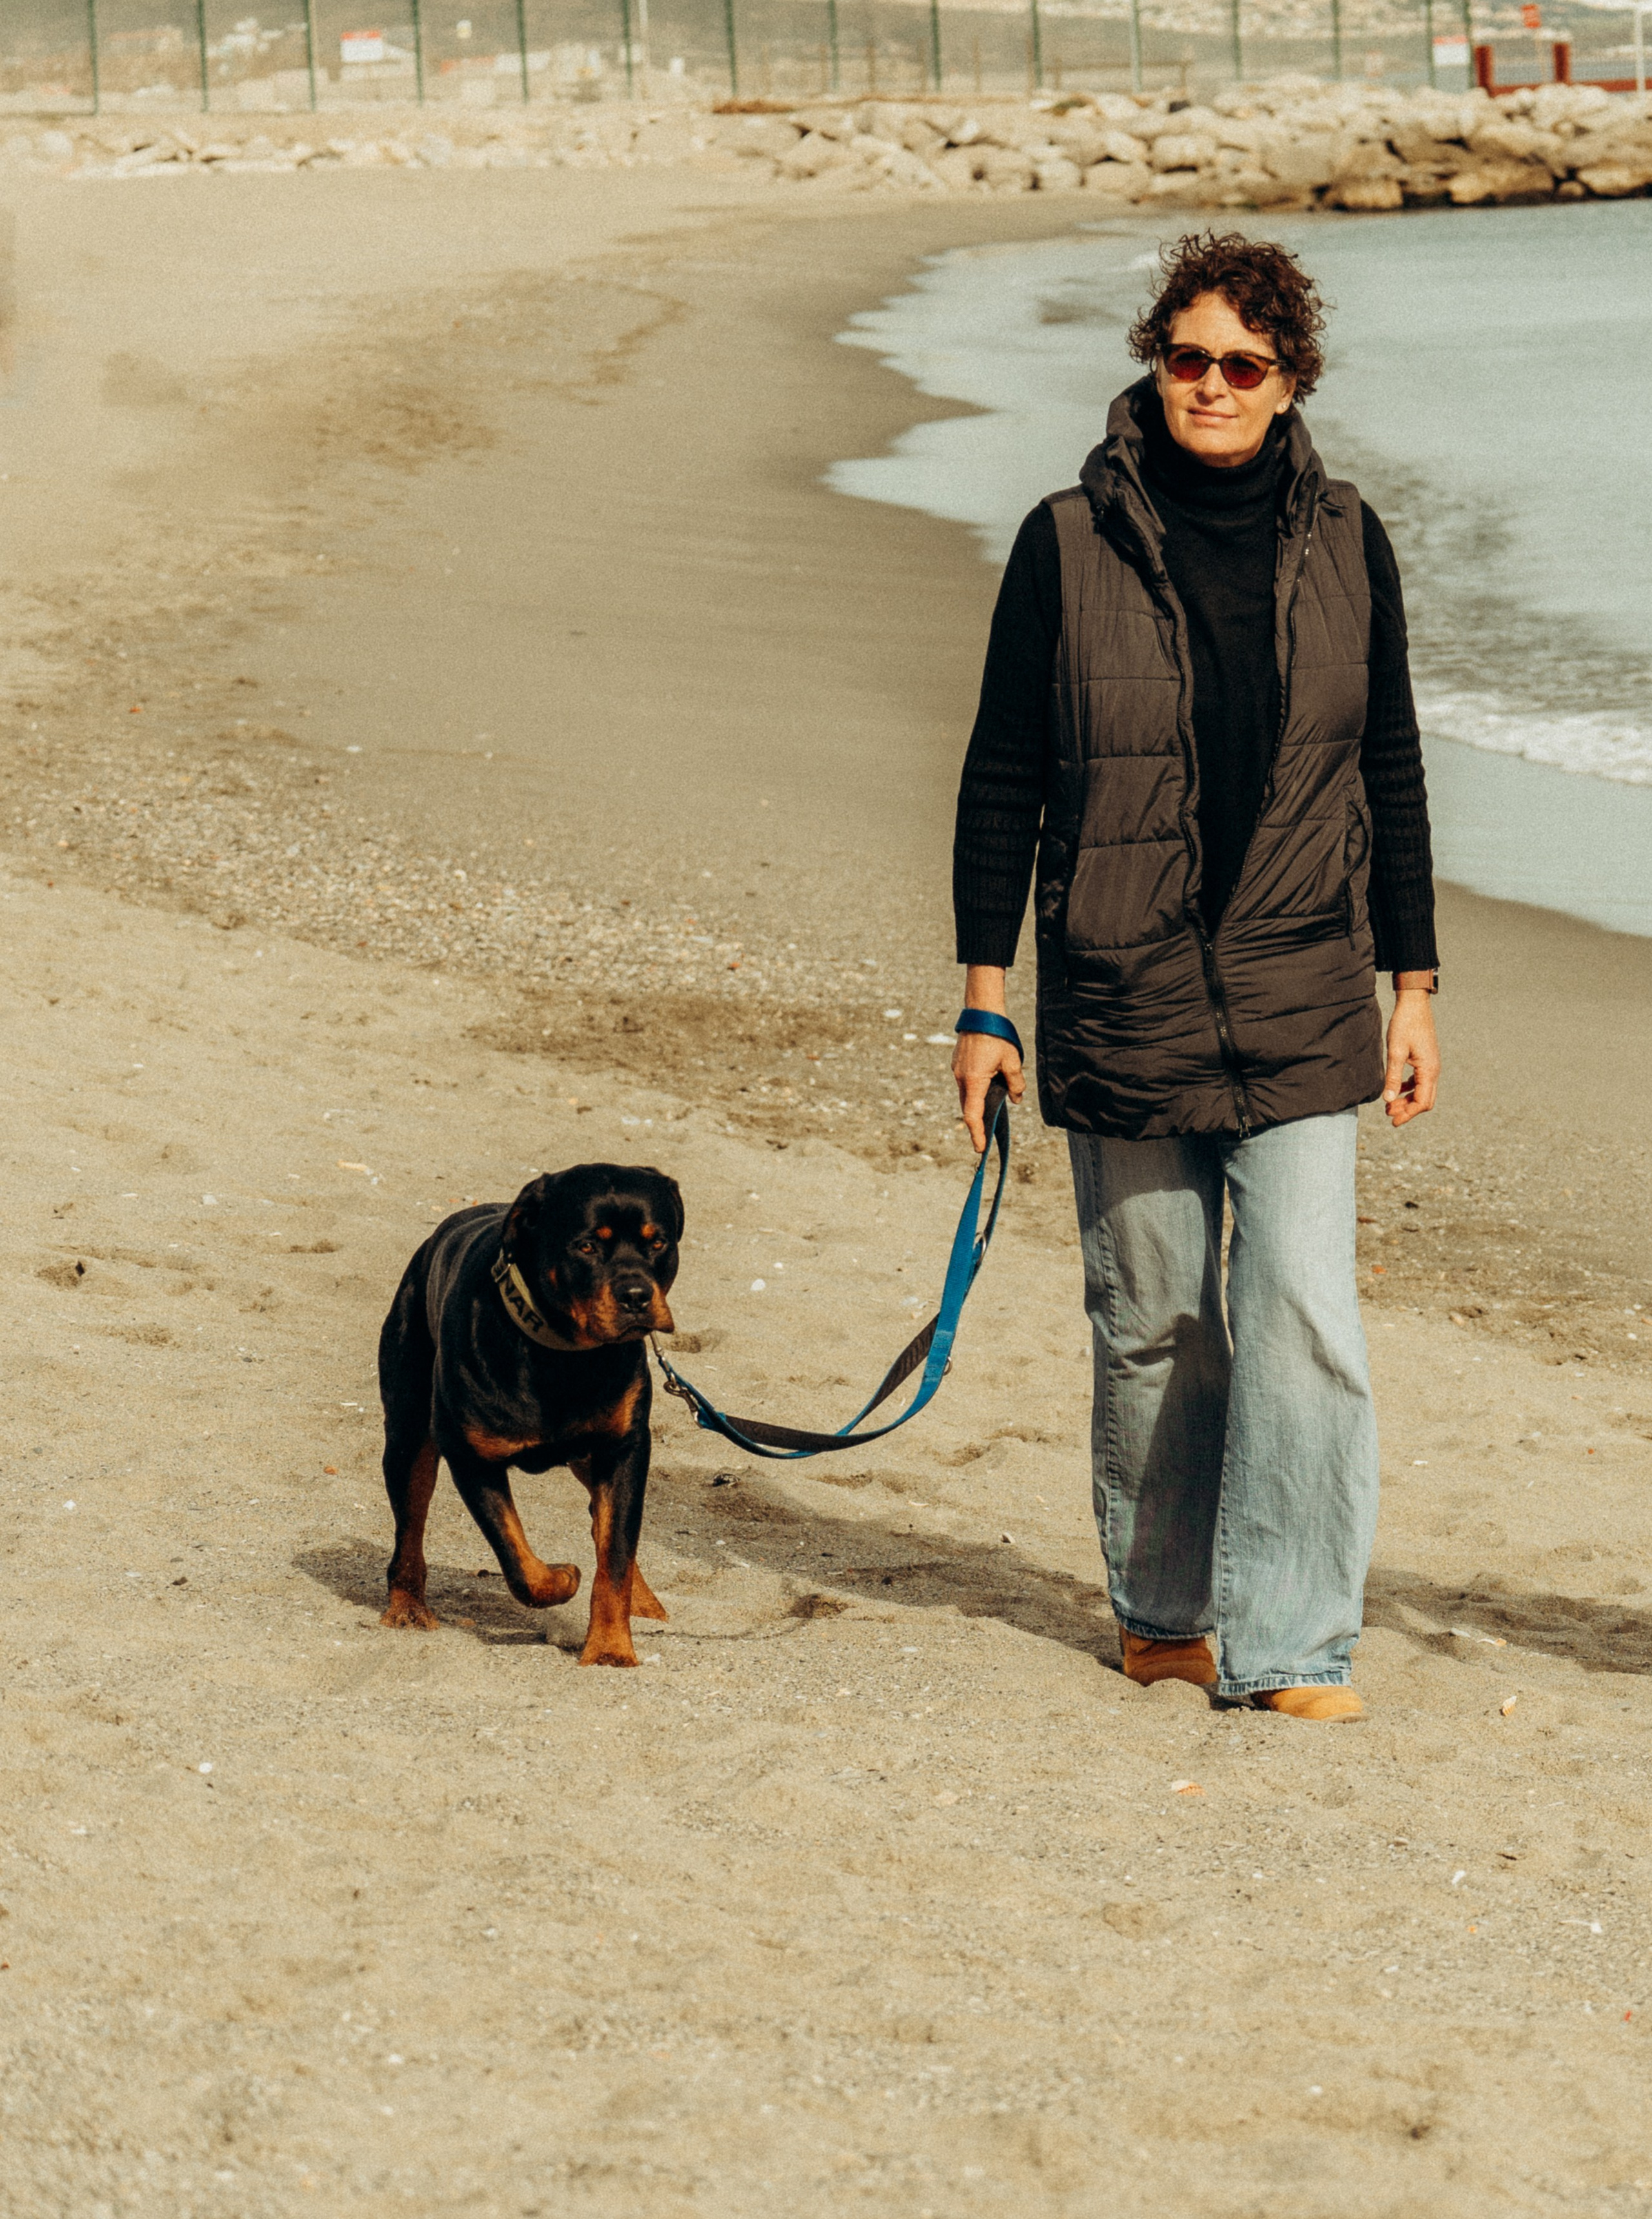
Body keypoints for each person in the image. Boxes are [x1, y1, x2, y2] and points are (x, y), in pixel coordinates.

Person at [950, 231, 1440, 1722]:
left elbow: (1391, 767)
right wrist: (983, 999)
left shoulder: (1350, 538)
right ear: (1149, 365)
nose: (1210, 387)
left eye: (1243, 364)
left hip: (1300, 990)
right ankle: (1164, 1610)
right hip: (1118, 990)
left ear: (1289, 382)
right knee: (1156, 1322)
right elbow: (1001, 776)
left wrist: (1411, 985)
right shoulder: (1063, 541)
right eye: (1185, 359)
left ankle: (1290, 1643)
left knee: (1301, 1315)